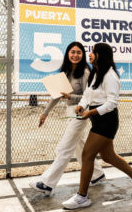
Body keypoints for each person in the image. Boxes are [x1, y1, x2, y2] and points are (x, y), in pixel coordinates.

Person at [62, 43, 132, 210]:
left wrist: (90, 113)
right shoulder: (96, 72)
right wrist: (81, 105)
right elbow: (88, 94)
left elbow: (111, 103)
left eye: (93, 52)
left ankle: (82, 197)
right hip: (97, 119)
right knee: (109, 156)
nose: (90, 54)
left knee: (87, 155)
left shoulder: (110, 76)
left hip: (107, 121)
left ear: (100, 55)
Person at [29, 42, 105, 196]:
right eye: (72, 52)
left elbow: (88, 96)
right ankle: (97, 175)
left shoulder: (85, 72)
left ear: (82, 55)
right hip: (70, 111)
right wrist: (45, 113)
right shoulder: (66, 72)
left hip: (81, 112)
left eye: (78, 52)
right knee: (78, 146)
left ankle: (47, 183)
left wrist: (71, 96)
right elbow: (57, 95)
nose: (75, 55)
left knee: (65, 147)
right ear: (67, 54)